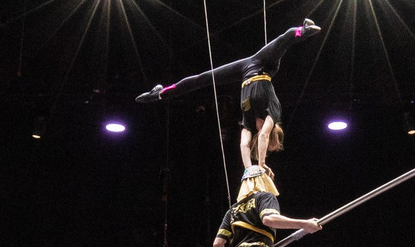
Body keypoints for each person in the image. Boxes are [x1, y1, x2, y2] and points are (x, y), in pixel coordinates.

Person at [138, 20, 324, 169]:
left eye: (266, 151)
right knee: (283, 41)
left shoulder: (250, 123)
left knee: (203, 79)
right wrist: (262, 165)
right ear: (273, 133)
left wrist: (250, 169)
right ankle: (304, 29)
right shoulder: (272, 115)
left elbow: (243, 145)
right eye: (269, 147)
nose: (265, 147)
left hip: (244, 73)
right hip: (263, 65)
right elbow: (264, 137)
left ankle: (159, 94)